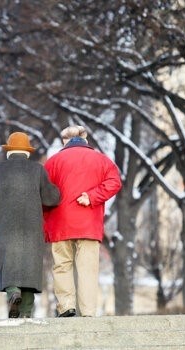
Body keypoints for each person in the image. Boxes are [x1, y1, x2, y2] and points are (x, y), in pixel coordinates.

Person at [44, 125, 122, 317]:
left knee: (62, 265)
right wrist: (93, 196)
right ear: (85, 139)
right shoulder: (102, 160)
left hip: (59, 223)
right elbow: (115, 182)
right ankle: (87, 313)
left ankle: (66, 307)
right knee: (87, 268)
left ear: (65, 141)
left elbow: (43, 192)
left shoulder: (53, 162)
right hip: (88, 224)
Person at [0, 131, 60, 318]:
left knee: (9, 263)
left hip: (6, 227)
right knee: (29, 267)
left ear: (9, 151)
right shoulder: (38, 170)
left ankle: (12, 293)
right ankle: (25, 311)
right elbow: (52, 198)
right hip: (32, 229)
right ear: (27, 152)